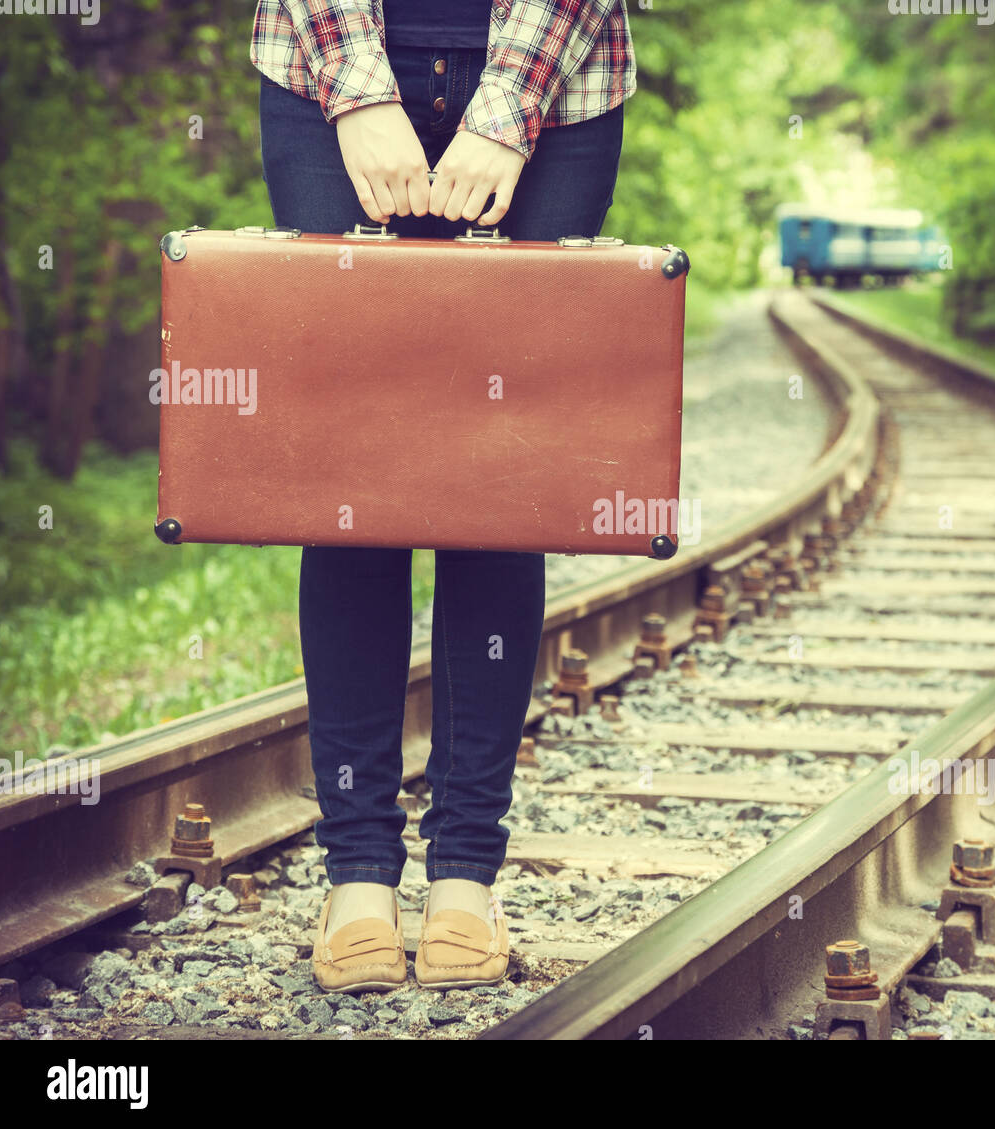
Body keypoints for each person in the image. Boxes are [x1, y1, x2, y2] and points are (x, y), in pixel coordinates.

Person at [250, 0, 636, 993]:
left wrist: (506, 102)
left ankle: (465, 874)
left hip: (561, 68)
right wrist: (359, 89)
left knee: (495, 480)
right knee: (354, 475)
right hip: (325, 57)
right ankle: (359, 881)